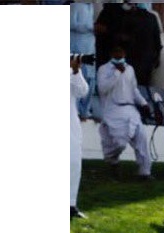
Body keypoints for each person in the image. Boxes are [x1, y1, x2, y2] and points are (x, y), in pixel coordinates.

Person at [96, 46, 152, 180]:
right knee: (119, 143)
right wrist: (117, 73)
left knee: (141, 138)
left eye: (122, 52)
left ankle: (145, 172)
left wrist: (143, 103)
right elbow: (102, 88)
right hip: (113, 110)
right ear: (112, 54)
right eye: (117, 52)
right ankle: (113, 162)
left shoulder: (130, 69)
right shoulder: (104, 69)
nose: (120, 55)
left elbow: (134, 89)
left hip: (130, 109)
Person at [122, 2, 162, 87]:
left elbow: (124, 38)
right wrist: (157, 57)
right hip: (147, 59)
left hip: (133, 58)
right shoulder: (152, 18)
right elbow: (157, 39)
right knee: (144, 83)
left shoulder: (130, 17)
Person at [70, 54, 89, 219]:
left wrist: (76, 71)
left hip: (69, 124)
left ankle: (70, 204)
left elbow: (82, 91)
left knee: (73, 162)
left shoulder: (70, 70)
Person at [70, 2, 96, 120]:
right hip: (77, 47)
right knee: (77, 79)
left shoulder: (91, 7)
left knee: (90, 81)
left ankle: (85, 111)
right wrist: (90, 27)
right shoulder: (75, 5)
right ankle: (76, 111)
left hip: (90, 48)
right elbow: (71, 23)